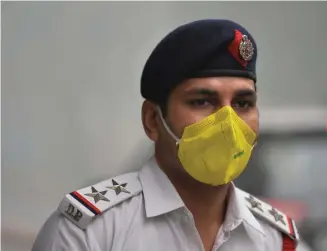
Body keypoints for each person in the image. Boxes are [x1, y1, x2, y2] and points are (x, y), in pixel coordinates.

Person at [32, 19, 301, 251]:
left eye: (243, 103)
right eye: (202, 101)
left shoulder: (273, 238)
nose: (228, 123)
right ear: (152, 120)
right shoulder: (91, 229)